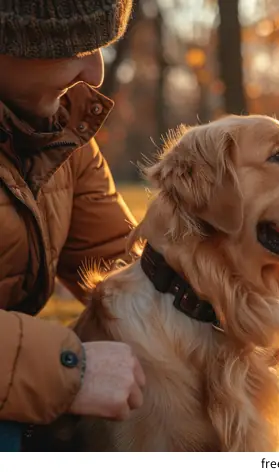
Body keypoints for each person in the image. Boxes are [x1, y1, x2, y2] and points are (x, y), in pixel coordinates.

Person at [0, 0, 146, 450]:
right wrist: (70, 369)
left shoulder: (61, 133)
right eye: (77, 48)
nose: (96, 72)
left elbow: (127, 272)